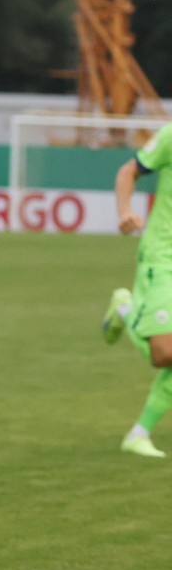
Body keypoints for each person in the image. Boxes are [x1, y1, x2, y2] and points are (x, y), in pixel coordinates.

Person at [101, 123, 172, 458]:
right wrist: (125, 211)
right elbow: (128, 171)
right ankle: (125, 309)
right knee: (165, 353)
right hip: (164, 255)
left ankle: (139, 433)